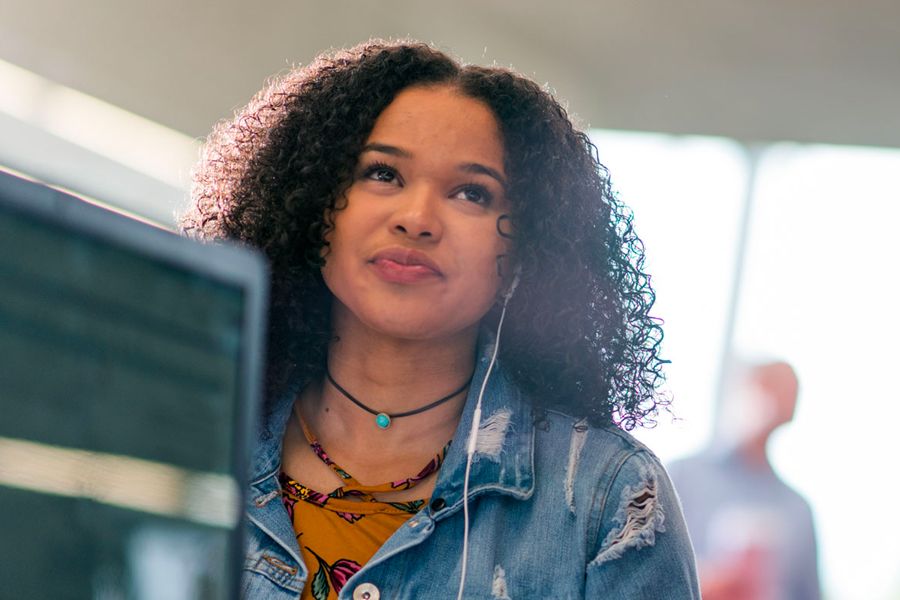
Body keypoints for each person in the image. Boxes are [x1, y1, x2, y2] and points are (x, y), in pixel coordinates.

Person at [181, 39, 699, 599]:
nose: (417, 219)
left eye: (472, 193)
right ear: (308, 200)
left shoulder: (610, 497)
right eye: (382, 174)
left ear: (531, 247)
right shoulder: (182, 436)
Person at [668, 361, 822, 600]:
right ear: (738, 392)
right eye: (765, 388)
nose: (770, 405)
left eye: (783, 396)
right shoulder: (681, 476)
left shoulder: (798, 510)